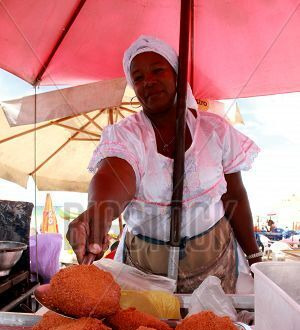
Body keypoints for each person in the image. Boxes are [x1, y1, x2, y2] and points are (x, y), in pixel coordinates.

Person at [67, 35, 262, 294]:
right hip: (144, 273)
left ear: (178, 76)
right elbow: (115, 173)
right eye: (137, 77)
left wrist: (254, 256)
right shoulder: (127, 134)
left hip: (215, 268)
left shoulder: (216, 131)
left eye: (158, 70)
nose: (148, 81)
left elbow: (235, 194)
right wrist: (97, 213)